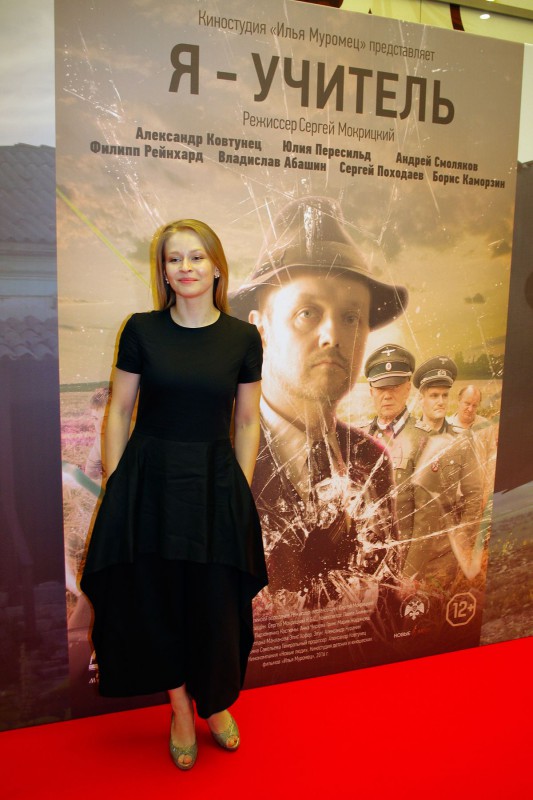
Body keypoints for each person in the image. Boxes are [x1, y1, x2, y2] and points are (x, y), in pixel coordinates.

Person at [80, 219, 267, 771]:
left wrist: (238, 488)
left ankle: (216, 702)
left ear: (216, 267)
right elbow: (119, 411)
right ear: (163, 272)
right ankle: (182, 708)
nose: (185, 267)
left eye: (196, 256)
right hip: (151, 485)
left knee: (214, 602)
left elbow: (248, 420)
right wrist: (119, 485)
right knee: (158, 601)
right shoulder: (141, 330)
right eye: (173, 259)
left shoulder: (242, 338)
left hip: (213, 484)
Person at [230, 196, 407, 625]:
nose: (333, 335)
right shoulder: (206, 457)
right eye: (307, 312)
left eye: (351, 317)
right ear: (260, 330)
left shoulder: (371, 461)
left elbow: (386, 607)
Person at [403, 357, 484, 588]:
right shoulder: (404, 438)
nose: (440, 401)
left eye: (445, 395)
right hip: (403, 552)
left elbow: (474, 494)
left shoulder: (461, 441)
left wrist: (461, 540)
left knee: (438, 608)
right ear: (421, 398)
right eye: (434, 395)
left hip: (442, 557)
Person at [362, 344, 429, 554]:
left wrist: (410, 570)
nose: (387, 395)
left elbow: (426, 520)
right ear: (371, 392)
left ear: (408, 388)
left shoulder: (424, 440)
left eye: (394, 387)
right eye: (381, 388)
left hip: (402, 558)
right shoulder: (358, 440)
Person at [448, 385, 498, 507]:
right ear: (459, 401)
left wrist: (486, 494)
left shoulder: (486, 427)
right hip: (449, 498)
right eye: (467, 403)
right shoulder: (445, 425)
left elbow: (492, 463)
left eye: (474, 405)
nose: (470, 409)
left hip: (475, 498)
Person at [84, 387, 110, 481]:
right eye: (95, 418)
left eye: (105, 419)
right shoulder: (100, 439)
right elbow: (91, 469)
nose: (99, 426)